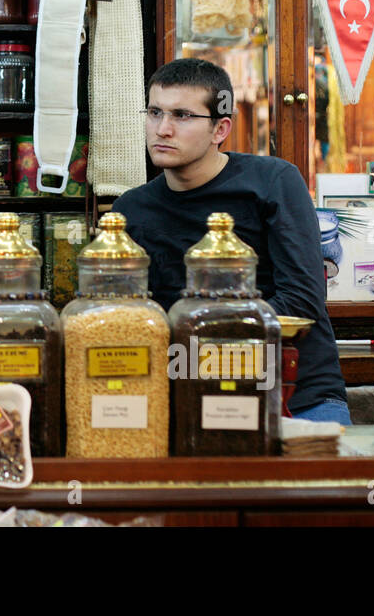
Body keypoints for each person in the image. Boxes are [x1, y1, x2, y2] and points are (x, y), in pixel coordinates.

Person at [113, 57, 351, 424]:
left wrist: (198, 329)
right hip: (190, 393)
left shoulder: (273, 182)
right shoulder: (132, 210)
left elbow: (301, 301)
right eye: (155, 112)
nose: (162, 129)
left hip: (295, 394)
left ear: (220, 129)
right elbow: (132, 318)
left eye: (182, 116)